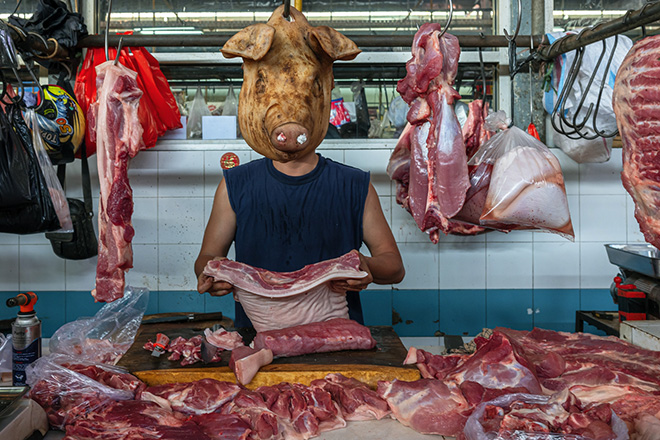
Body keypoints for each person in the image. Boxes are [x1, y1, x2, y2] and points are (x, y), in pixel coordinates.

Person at [194, 148, 405, 329]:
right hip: (258, 339)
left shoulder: (355, 185)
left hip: (337, 341)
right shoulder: (235, 183)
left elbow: (394, 267)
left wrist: (364, 265)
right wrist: (212, 274)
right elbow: (207, 257)